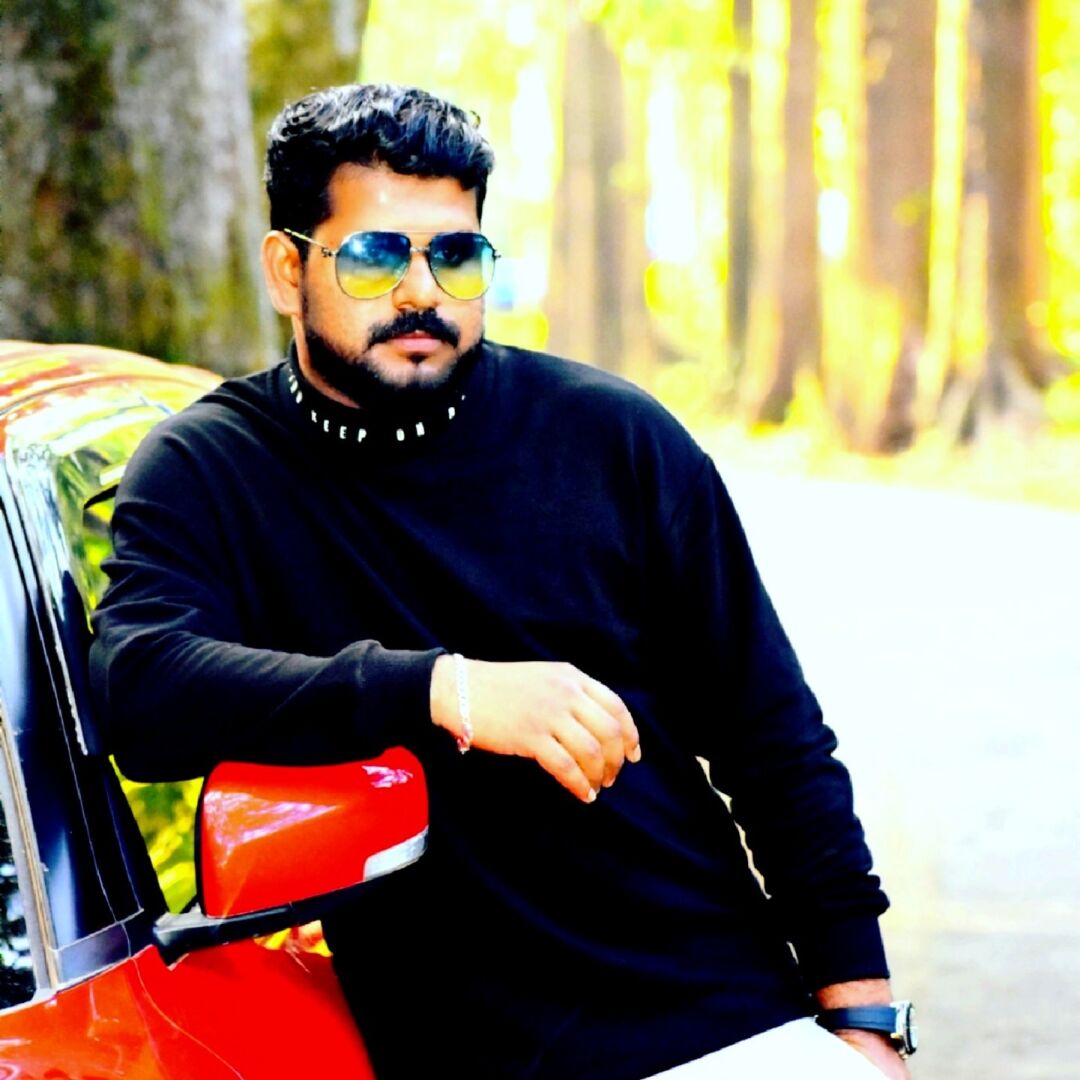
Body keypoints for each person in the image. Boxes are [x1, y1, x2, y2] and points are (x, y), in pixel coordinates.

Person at [90, 84, 914, 1079]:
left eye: (457, 255)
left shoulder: (613, 437)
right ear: (286, 269)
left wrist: (864, 1018)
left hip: (726, 1028)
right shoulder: (212, 468)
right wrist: (446, 691)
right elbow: (143, 686)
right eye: (374, 257)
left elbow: (772, 738)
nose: (421, 292)